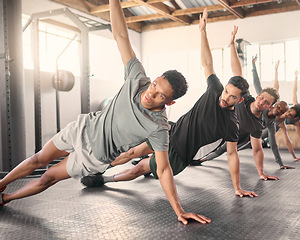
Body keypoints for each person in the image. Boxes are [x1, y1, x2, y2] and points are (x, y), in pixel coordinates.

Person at [0, 0, 210, 225]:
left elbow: (164, 169)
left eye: (161, 96)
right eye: (155, 85)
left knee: (48, 178)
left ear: (169, 103)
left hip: (93, 157)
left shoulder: (159, 128)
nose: (152, 93)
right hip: (82, 129)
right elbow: (120, 35)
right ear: (155, 78)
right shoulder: (137, 77)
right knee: (38, 158)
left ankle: (5, 198)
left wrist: (179, 210)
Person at [81, 8, 258, 199]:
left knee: (138, 168)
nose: (225, 98)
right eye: (226, 92)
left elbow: (232, 155)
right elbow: (207, 62)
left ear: (240, 100)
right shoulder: (215, 89)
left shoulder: (231, 124)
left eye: (232, 97)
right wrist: (202, 31)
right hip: (171, 131)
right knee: (132, 151)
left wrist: (237, 187)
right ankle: (98, 168)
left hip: (180, 154)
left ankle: (104, 181)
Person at [192, 49, 281, 181]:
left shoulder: (257, 125)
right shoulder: (244, 97)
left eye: (266, 102)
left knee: (216, 151)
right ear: (257, 96)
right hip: (208, 126)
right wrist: (232, 45)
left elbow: (257, 150)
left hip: (227, 139)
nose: (261, 103)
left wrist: (261, 173)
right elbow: (237, 72)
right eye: (261, 98)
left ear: (270, 107)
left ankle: (198, 160)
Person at [252, 58, 300, 168]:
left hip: (260, 129)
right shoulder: (269, 104)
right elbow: (262, 86)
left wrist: (291, 158)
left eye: (288, 114)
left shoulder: (280, 123)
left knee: (251, 140)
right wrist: (255, 66)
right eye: (289, 111)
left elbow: (282, 142)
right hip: (250, 121)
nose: (287, 114)